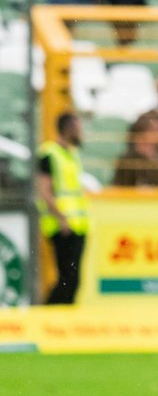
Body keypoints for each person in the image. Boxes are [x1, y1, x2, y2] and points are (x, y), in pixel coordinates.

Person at [37, 113, 90, 305]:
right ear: (67, 129)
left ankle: (63, 320)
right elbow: (44, 191)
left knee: (73, 280)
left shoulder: (72, 154)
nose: (81, 132)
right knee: (67, 279)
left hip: (77, 225)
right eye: (78, 128)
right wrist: (61, 218)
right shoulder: (49, 154)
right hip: (62, 226)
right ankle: (48, 315)